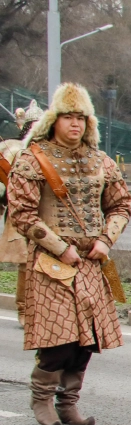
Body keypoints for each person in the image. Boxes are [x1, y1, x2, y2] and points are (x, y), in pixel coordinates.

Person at [5, 83, 131, 425]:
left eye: (81, 118)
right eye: (68, 117)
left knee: (85, 342)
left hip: (93, 262)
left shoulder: (101, 160)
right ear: (54, 119)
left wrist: (106, 240)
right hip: (50, 263)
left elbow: (121, 205)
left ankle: (68, 402)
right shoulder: (33, 159)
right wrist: (62, 248)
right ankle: (41, 399)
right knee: (57, 341)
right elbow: (23, 214)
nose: (75, 124)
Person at [0, 101, 41, 327]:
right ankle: (24, 309)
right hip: (19, 216)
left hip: (45, 215)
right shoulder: (14, 151)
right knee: (26, 264)